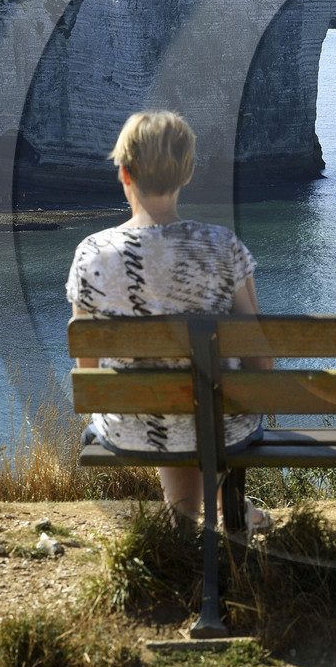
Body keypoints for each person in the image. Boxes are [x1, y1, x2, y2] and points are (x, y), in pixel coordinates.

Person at [67, 110, 272, 532]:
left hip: (131, 430)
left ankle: (183, 522)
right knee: (198, 406)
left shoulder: (92, 253)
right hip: (224, 429)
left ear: (124, 174)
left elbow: (89, 380)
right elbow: (261, 363)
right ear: (189, 173)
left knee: (171, 404)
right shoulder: (222, 246)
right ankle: (213, 517)